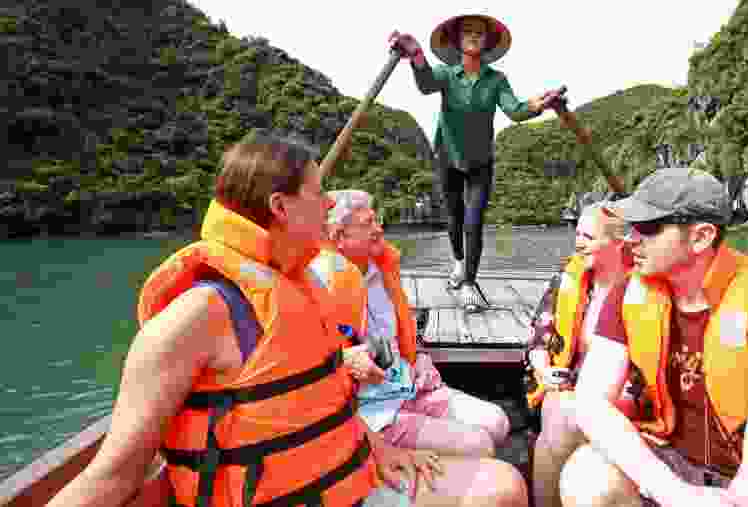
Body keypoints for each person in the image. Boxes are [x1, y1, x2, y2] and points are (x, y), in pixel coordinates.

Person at [45, 133, 528, 507]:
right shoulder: (199, 314)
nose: (327, 206)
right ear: (280, 206)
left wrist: (378, 451)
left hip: (343, 481)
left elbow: (315, 403)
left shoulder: (300, 288)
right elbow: (112, 475)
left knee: (501, 484)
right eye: (318, 194)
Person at [557, 167, 748, 507]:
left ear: (701, 237)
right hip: (676, 464)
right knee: (586, 475)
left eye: (648, 228)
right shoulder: (630, 291)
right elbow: (591, 403)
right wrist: (671, 491)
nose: (631, 239)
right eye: (630, 227)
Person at [310, 189, 510, 458]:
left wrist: (420, 360)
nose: (379, 229)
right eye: (367, 223)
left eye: (376, 220)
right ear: (338, 237)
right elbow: (307, 361)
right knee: (479, 444)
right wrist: (345, 360)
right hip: (372, 410)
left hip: (408, 386)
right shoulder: (315, 284)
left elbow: (401, 336)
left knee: (497, 422)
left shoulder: (380, 270)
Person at [388, 14, 561, 312]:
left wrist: (539, 104)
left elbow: (516, 110)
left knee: (474, 223)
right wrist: (416, 54)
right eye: (467, 32)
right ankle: (458, 263)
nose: (473, 36)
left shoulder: (496, 80)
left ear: (487, 42)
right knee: (453, 219)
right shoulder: (445, 75)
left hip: (480, 161)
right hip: (448, 157)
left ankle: (469, 282)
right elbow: (426, 84)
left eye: (479, 33)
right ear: (456, 41)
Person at [523, 201, 635, 507]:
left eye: (588, 236)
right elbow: (539, 336)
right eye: (577, 233)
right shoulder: (569, 275)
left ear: (617, 243)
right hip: (565, 383)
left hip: (623, 393)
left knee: (561, 417)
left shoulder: (642, 289)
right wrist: (544, 370)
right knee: (557, 412)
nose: (577, 242)